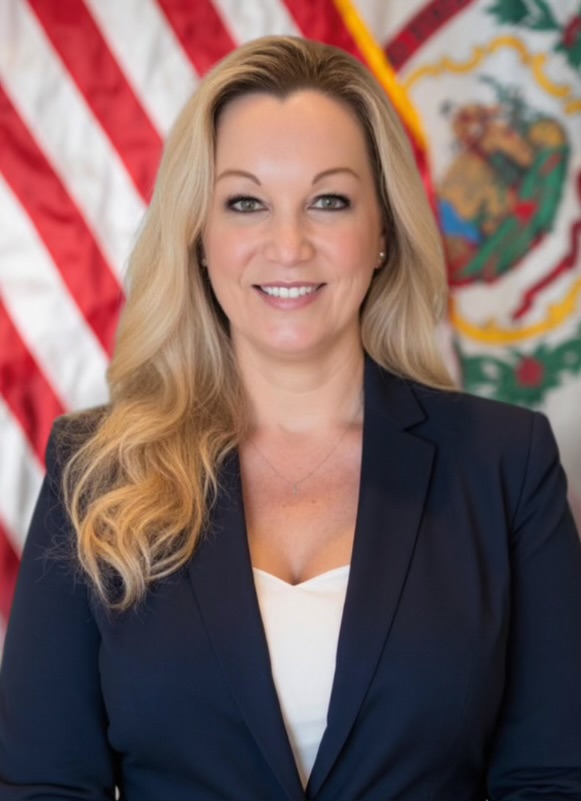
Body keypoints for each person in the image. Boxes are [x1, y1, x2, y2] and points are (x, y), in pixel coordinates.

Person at [0, 35, 579, 801]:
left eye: (328, 200)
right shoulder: (95, 468)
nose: (288, 244)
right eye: (245, 202)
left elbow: (550, 779)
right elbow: (42, 785)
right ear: (198, 238)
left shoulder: (506, 462)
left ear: (381, 233)